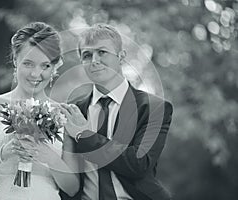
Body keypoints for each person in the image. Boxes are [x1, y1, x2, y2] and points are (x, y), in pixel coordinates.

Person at [0, 22, 79, 200]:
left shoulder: (63, 114)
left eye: (45, 65)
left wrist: (49, 157)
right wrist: (3, 153)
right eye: (28, 64)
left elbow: (72, 188)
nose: (36, 74)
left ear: (54, 67)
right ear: (15, 61)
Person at [59, 23, 173, 200]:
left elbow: (138, 163)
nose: (94, 60)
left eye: (102, 52)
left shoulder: (153, 108)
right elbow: (67, 171)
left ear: (121, 57)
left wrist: (85, 135)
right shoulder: (75, 110)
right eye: (87, 55)